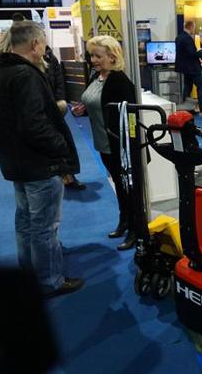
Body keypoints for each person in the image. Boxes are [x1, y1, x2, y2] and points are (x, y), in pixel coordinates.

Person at [0, 20, 84, 298]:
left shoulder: (0, 72)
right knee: (44, 227)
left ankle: (30, 274)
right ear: (34, 44)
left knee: (26, 222)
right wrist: (60, 147)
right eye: (43, 43)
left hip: (16, 162)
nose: (44, 48)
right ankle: (49, 281)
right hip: (39, 164)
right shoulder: (25, 75)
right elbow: (34, 124)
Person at [71, 35, 139, 251]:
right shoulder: (97, 76)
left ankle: (135, 230)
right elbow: (97, 103)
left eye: (98, 56)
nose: (93, 60)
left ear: (112, 57)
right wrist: (83, 109)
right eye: (92, 55)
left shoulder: (119, 81)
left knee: (129, 189)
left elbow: (129, 116)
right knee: (119, 185)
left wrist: (127, 144)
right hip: (103, 142)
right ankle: (124, 221)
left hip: (120, 146)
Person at [44, 45, 86, 191]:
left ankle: (68, 176)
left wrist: (59, 102)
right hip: (38, 110)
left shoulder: (51, 58)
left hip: (54, 108)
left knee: (63, 143)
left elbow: (59, 82)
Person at [175, 21, 202, 115]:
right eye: (194, 27)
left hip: (184, 68)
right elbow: (192, 53)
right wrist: (201, 53)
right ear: (191, 27)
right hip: (193, 68)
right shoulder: (187, 38)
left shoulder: (179, 37)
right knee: (200, 86)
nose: (194, 30)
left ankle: (186, 108)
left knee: (187, 87)